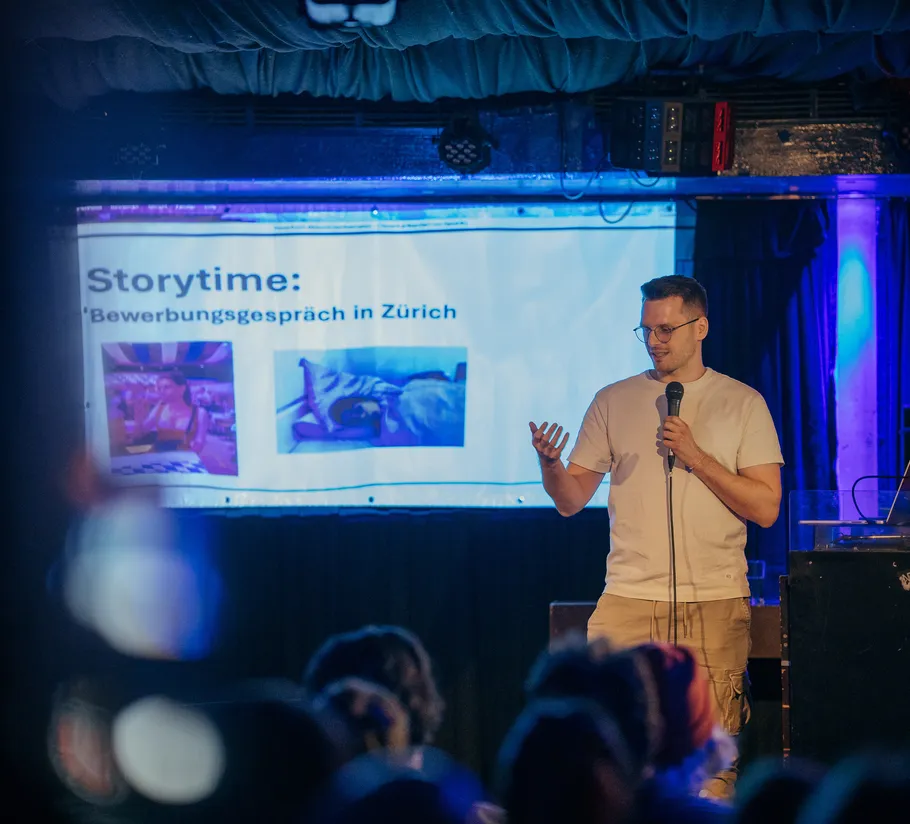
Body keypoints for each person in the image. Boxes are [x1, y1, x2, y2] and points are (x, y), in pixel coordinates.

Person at [529, 275, 783, 799]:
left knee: (710, 762)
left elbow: (766, 507)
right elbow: (570, 500)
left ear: (701, 326)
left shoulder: (743, 403)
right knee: (599, 746)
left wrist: (696, 456)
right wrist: (551, 466)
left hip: (712, 600)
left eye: (667, 328)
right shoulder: (613, 400)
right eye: (647, 330)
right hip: (627, 598)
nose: (656, 340)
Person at [137, 370, 209, 454]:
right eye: (159, 388)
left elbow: (199, 442)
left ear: (182, 389)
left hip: (184, 459)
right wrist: (139, 414)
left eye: (167, 387)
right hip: (158, 457)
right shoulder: (159, 408)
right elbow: (143, 430)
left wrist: (187, 458)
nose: (161, 391)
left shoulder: (199, 413)